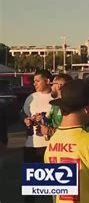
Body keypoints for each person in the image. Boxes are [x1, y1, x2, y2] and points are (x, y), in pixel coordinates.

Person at [22, 70, 53, 203]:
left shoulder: (55, 97)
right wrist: (26, 120)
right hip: (32, 145)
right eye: (34, 81)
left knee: (55, 186)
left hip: (52, 146)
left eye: (37, 81)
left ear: (47, 81)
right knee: (31, 187)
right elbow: (23, 115)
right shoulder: (31, 97)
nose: (34, 84)